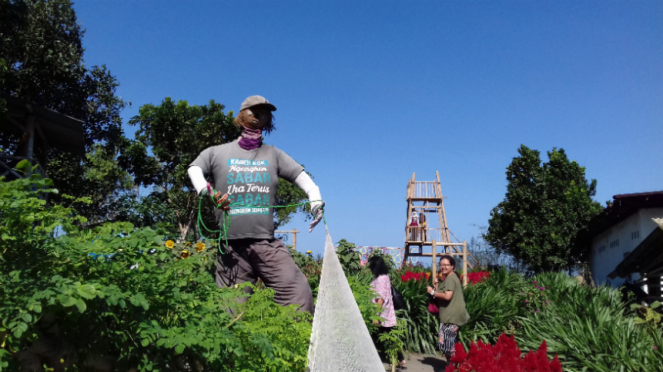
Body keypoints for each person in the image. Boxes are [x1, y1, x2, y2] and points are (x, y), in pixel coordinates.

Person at [187, 95, 324, 314]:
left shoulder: (274, 155)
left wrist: (315, 201)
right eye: (253, 110)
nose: (259, 115)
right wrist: (207, 192)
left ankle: (297, 342)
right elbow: (194, 169)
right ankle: (234, 348)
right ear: (241, 116)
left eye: (265, 112)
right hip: (230, 249)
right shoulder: (216, 152)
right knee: (230, 311)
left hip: (265, 245)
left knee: (297, 294)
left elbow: (305, 180)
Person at [426, 255, 470, 361]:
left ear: (452, 266)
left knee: (448, 346)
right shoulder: (450, 278)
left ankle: (453, 367)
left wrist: (432, 291)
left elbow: (447, 296)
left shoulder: (450, 278)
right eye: (441, 265)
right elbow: (442, 294)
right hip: (450, 317)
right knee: (447, 345)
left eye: (446, 265)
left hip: (451, 318)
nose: (443, 267)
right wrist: (436, 288)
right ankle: (451, 366)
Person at [368, 256, 406, 368]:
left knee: (385, 337)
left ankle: (395, 359)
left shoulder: (380, 279)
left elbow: (380, 298)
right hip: (387, 312)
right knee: (388, 335)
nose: (370, 269)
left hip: (381, 314)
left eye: (371, 266)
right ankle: (399, 359)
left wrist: (376, 316)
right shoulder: (385, 277)